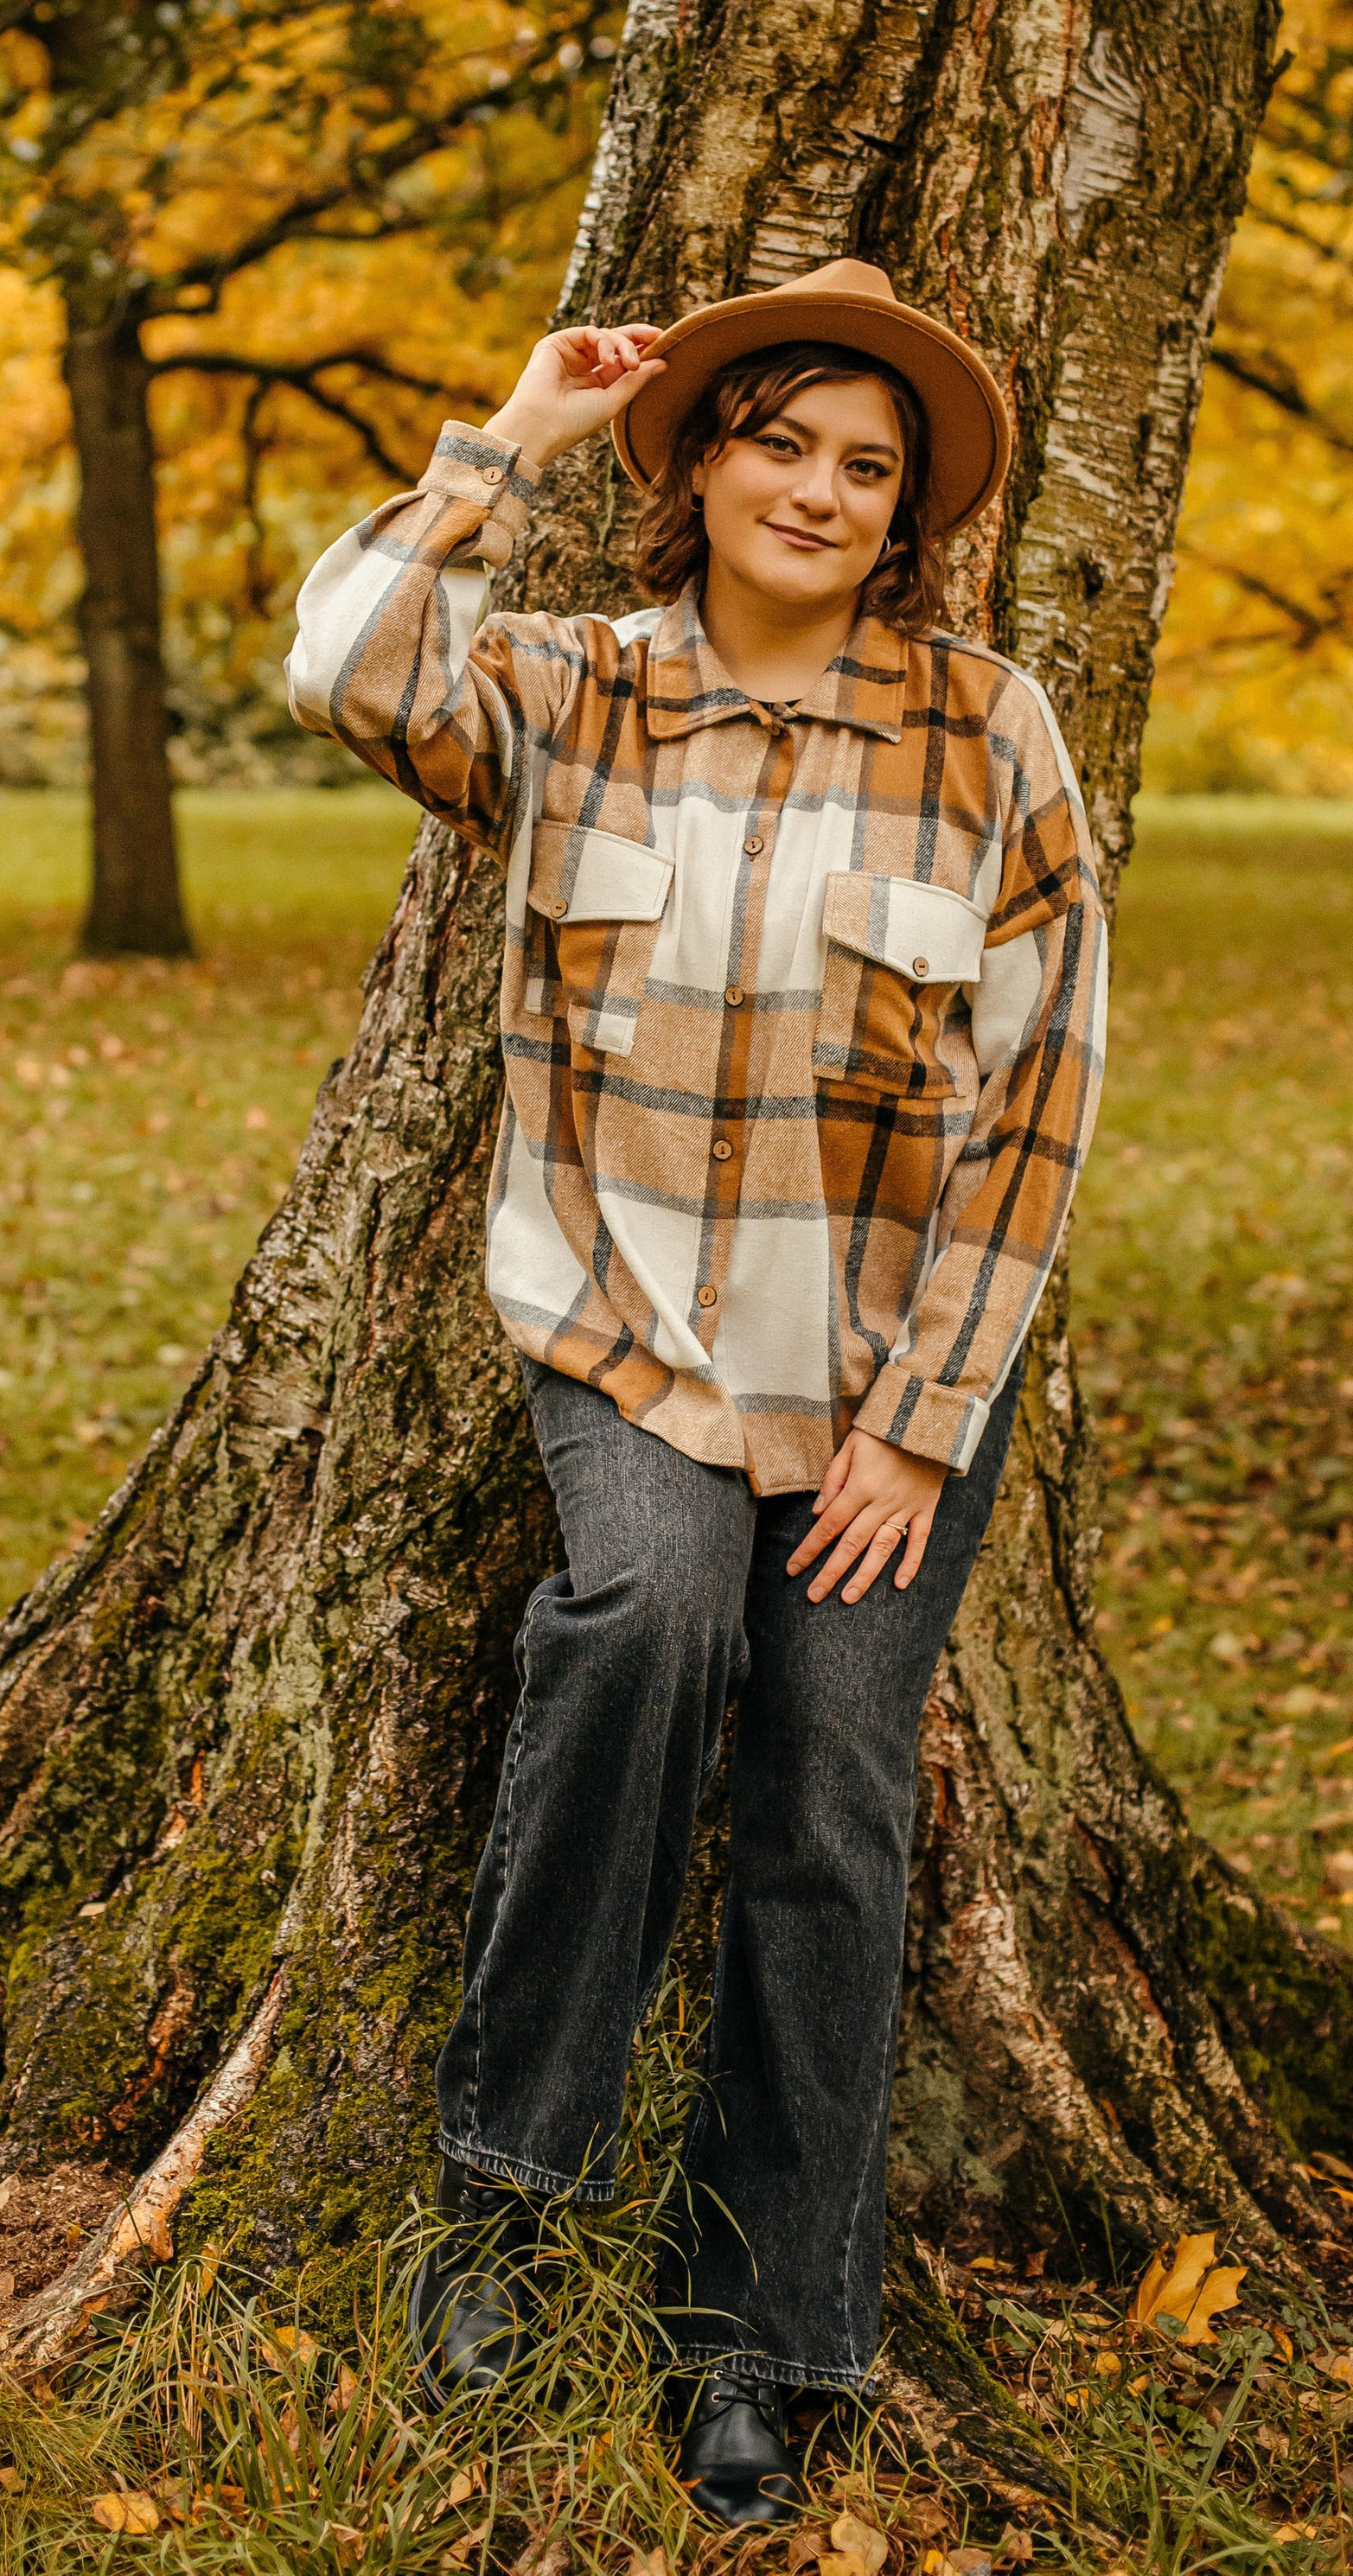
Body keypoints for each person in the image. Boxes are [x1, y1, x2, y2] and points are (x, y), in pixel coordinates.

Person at [286, 258, 1107, 2528]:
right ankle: (503, 2196)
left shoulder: (988, 731)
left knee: (836, 1774)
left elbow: (1040, 1089)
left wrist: (924, 1416)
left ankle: (759, 2322)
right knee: (647, 1630)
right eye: (784, 439)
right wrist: (512, 442)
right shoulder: (564, 695)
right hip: (626, 1328)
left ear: (909, 511)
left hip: (882, 1384)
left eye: (869, 464)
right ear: (708, 458)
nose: (821, 489)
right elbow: (339, 662)